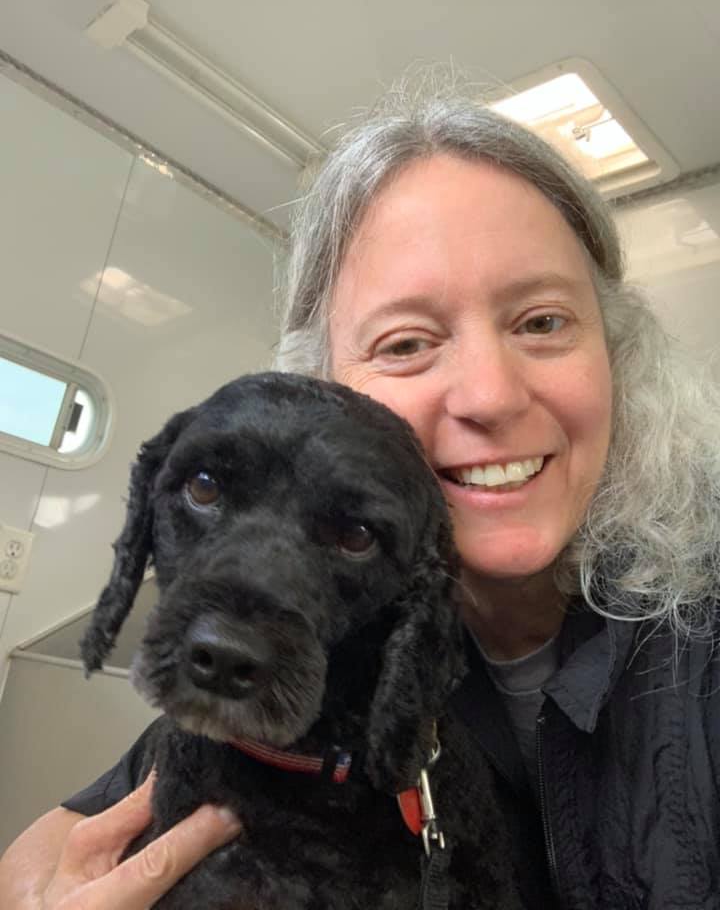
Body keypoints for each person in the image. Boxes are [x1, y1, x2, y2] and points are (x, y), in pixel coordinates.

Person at [2, 79, 720, 909]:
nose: (490, 395)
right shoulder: (336, 629)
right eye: (406, 343)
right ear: (326, 389)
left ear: (617, 354)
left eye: (542, 322)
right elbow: (47, 853)